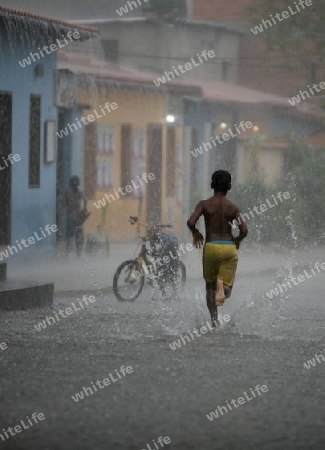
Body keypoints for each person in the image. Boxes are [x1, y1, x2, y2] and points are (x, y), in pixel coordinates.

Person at [187, 170, 248, 325]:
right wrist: (238, 240)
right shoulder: (233, 207)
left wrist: (195, 233)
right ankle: (223, 287)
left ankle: (214, 321)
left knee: (209, 287)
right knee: (226, 287)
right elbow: (244, 230)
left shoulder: (204, 204)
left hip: (211, 247)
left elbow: (191, 222)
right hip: (229, 247)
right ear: (229, 186)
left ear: (211, 185)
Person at [64, 176, 87, 257]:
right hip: (75, 218)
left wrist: (84, 210)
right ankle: (76, 253)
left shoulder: (70, 192)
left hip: (74, 218)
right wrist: (84, 210)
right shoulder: (76, 192)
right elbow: (85, 200)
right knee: (76, 236)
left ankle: (74, 252)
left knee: (73, 236)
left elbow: (64, 203)